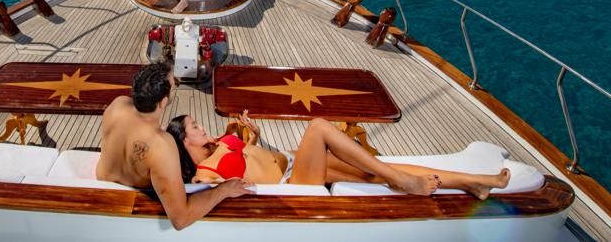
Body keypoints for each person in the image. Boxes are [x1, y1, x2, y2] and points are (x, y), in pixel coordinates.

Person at [167, 111, 511, 200]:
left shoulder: (220, 142)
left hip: (293, 163)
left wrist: (253, 134)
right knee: (318, 127)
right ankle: (402, 182)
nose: (202, 127)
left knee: (376, 169)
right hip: (294, 184)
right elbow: (206, 190)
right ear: (184, 141)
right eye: (195, 127)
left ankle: (475, 182)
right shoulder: (205, 174)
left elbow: (250, 151)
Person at [96, 62, 253, 229]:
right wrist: (224, 190)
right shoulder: (162, 146)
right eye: (174, 86)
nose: (175, 85)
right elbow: (180, 220)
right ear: (163, 102)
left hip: (102, 183)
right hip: (133, 205)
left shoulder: (117, 105)